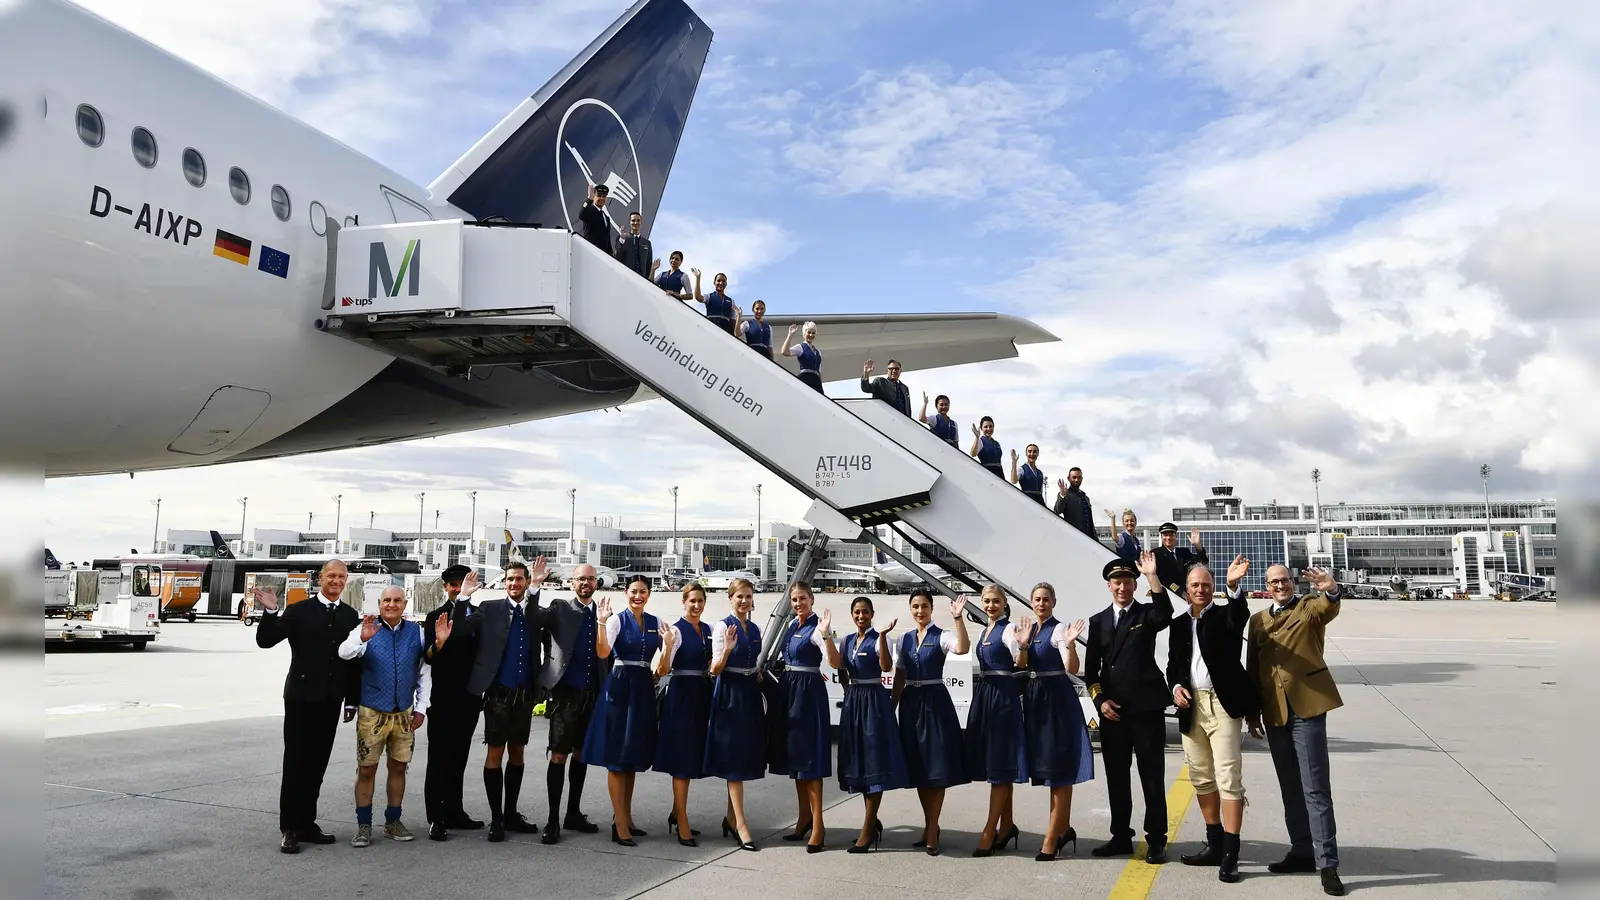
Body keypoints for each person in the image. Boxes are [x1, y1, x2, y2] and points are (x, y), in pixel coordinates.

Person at [1247, 565, 1347, 897]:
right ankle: (1302, 851)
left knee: (1316, 788)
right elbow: (1253, 668)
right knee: (1290, 786)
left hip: (1306, 708)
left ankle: (1328, 863)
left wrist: (1329, 589)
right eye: (1273, 582)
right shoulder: (1257, 620)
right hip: (1275, 712)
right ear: (1266, 586)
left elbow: (1327, 606)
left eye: (1284, 580)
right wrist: (1252, 712)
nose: (1280, 585)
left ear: (1292, 582)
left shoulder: (1307, 606)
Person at [254, 559, 362, 854]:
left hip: (330, 699)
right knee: (296, 763)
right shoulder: (299, 611)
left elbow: (353, 662)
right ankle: (289, 827)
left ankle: (307, 823)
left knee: (317, 764)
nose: (336, 581)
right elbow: (266, 640)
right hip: (301, 698)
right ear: (320, 578)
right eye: (331, 575)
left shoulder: (350, 616)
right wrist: (271, 611)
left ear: (346, 580)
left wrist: (351, 699)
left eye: (341, 576)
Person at [1168, 554, 1259, 883]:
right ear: (1187, 590)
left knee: (1228, 778)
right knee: (1201, 777)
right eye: (1195, 585)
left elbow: (1240, 615)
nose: (1201, 589)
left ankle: (1231, 854)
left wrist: (1233, 586)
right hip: (1191, 706)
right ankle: (1215, 842)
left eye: (1207, 584)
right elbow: (1173, 666)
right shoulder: (1178, 625)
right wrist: (1176, 686)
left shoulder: (1224, 616)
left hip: (1222, 705)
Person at [1079, 553, 1175, 864]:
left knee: (1151, 775)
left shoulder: (1146, 614)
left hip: (1145, 708)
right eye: (1117, 582)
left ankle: (1157, 839)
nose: (1122, 587)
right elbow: (1091, 671)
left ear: (1135, 585)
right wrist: (1100, 700)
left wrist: (1152, 577)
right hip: (1113, 711)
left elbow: (1165, 614)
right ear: (1109, 586)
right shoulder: (1098, 621)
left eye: (1128, 582)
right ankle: (1121, 836)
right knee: (1117, 777)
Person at [465, 557, 552, 843]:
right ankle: (496, 818)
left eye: (519, 579)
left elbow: (538, 618)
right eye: (510, 579)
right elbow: (464, 627)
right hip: (498, 694)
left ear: (526, 582)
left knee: (517, 753)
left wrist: (537, 588)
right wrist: (463, 598)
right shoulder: (489, 609)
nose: (514, 583)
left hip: (525, 694)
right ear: (504, 584)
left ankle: (511, 812)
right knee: (494, 753)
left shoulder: (533, 612)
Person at [338, 586, 432, 847]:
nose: (392, 604)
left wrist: (422, 707)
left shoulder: (417, 632)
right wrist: (363, 639)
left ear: (405, 604)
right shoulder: (364, 628)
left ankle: (393, 821)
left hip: (403, 713)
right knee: (367, 769)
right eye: (387, 600)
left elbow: (424, 672)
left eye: (397, 600)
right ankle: (364, 825)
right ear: (379, 604)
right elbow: (344, 653)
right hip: (372, 712)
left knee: (399, 766)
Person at [583, 576, 662, 846]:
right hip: (620, 684)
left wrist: (671, 646)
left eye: (643, 592)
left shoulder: (654, 622)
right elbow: (603, 652)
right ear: (626, 593)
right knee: (618, 756)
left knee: (631, 757)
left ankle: (626, 817)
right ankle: (618, 821)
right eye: (633, 592)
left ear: (649, 594)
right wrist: (602, 622)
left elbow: (664, 664)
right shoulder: (617, 619)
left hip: (641, 687)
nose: (638, 596)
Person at [891, 589, 971, 855]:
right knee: (920, 768)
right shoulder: (903, 639)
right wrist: (892, 706)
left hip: (935, 702)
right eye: (915, 606)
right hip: (911, 703)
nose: (919, 611)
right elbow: (899, 675)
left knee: (936, 768)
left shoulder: (942, 635)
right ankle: (929, 825)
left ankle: (933, 828)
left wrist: (958, 619)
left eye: (924, 606)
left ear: (931, 608)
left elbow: (962, 648)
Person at [1018, 583, 1092, 861]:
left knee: (1059, 769)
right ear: (1031, 602)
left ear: (1053, 602)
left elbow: (1071, 668)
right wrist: (1023, 644)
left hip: (1057, 703)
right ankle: (1063, 830)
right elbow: (1022, 664)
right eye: (1037, 599)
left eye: (1046, 599)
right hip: (1037, 701)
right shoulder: (1030, 629)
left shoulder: (1059, 630)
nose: (1041, 603)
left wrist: (1071, 643)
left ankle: (1051, 838)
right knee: (1050, 767)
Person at [533, 563, 605, 844]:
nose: (585, 583)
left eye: (590, 579)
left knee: (581, 754)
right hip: (565, 694)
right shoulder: (559, 607)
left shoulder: (602, 613)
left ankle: (573, 813)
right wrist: (536, 586)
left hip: (592, 694)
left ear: (596, 583)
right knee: (559, 755)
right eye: (580, 579)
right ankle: (553, 819)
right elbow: (533, 617)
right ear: (571, 583)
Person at [835, 597, 911, 853]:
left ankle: (867, 831)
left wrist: (881, 637)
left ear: (871, 614)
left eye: (865, 612)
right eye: (856, 612)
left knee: (874, 762)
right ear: (852, 614)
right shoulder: (846, 640)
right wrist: (847, 689)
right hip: (854, 702)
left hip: (874, 701)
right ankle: (872, 821)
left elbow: (886, 666)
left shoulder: (880, 638)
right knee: (858, 762)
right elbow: (841, 668)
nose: (860, 616)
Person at [772, 581, 840, 851]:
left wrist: (825, 636)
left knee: (810, 759)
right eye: (794, 599)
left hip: (808, 694)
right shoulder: (792, 627)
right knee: (797, 759)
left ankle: (819, 825)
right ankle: (804, 819)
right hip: (790, 691)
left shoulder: (816, 628)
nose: (798, 603)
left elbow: (834, 662)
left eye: (803, 599)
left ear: (812, 600)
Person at [964, 584, 1026, 857]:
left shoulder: (1009, 630)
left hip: (1002, 699)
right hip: (986, 696)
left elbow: (1021, 662)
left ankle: (990, 830)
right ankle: (1008, 824)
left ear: (1004, 603)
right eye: (987, 601)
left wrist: (1023, 646)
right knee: (997, 765)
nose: (990, 606)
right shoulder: (983, 631)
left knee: (999, 766)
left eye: (996, 601)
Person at [422, 565, 482, 841]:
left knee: (459, 757)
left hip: (470, 698)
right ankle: (436, 817)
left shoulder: (479, 615)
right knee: (440, 759)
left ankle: (455, 810)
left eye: (464, 584)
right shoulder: (436, 616)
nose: (459, 589)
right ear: (446, 587)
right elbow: (429, 656)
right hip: (443, 698)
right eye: (454, 585)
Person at [704, 579, 764, 851]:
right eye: (740, 596)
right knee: (734, 758)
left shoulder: (753, 628)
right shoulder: (721, 626)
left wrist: (755, 671)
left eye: (748, 596)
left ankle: (731, 817)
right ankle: (741, 823)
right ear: (731, 598)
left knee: (742, 755)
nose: (744, 601)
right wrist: (727, 650)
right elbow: (714, 671)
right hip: (730, 694)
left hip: (749, 692)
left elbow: (752, 660)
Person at [654, 583, 716, 846]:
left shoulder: (708, 630)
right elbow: (661, 669)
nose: (697, 605)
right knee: (681, 759)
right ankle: (682, 821)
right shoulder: (676, 630)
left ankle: (675, 812)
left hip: (702, 693)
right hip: (681, 695)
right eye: (692, 601)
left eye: (701, 601)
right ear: (684, 602)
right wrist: (667, 647)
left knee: (692, 757)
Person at [1154, 523, 1210, 597]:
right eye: (1165, 535)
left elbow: (1203, 561)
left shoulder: (1184, 552)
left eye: (1171, 535)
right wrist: (1181, 592)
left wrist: (1198, 546)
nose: (1168, 538)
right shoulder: (1156, 554)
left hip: (1188, 596)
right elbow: (1163, 579)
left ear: (1175, 536)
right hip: (1168, 596)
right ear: (1161, 536)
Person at [1052, 467, 1098, 542]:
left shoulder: (1085, 497)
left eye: (1079, 477)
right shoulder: (1065, 495)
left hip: (1090, 540)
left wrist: (1096, 540)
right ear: (1069, 478)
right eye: (1074, 477)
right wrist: (1062, 496)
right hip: (1074, 540)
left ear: (1082, 479)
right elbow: (1057, 511)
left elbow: (1090, 521)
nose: (1077, 480)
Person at [780, 321, 823, 393]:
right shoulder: (801, 347)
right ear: (804, 334)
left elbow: (819, 372)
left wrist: (820, 386)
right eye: (808, 332)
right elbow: (784, 352)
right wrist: (790, 334)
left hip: (816, 381)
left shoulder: (818, 352)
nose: (811, 335)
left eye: (813, 333)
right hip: (805, 378)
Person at [577, 183, 615, 254]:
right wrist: (589, 199)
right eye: (599, 195)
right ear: (594, 196)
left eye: (604, 196)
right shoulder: (589, 210)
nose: (601, 198)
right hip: (591, 252)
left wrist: (611, 254)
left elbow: (607, 239)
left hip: (603, 255)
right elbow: (581, 214)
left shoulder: (606, 217)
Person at [614, 211, 653, 280]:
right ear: (629, 222)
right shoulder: (622, 238)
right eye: (633, 220)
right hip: (626, 277)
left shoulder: (647, 243)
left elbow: (648, 265)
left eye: (638, 220)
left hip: (641, 279)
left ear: (641, 222)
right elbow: (617, 257)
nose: (636, 223)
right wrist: (622, 240)